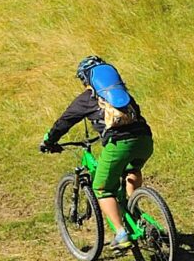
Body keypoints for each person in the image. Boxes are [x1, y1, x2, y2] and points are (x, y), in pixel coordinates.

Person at [40, 55, 152, 247]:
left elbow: (64, 122)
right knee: (131, 171)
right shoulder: (123, 95)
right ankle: (134, 212)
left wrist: (49, 140)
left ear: (86, 79)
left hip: (119, 144)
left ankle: (121, 234)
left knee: (102, 188)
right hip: (145, 141)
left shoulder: (88, 98)